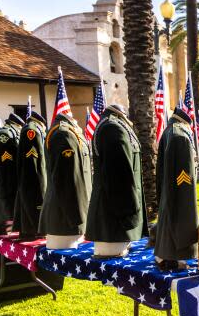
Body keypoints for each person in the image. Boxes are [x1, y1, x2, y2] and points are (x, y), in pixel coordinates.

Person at [86, 104, 148, 257]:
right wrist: (130, 212)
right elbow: (120, 177)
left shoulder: (112, 125)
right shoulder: (113, 128)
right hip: (114, 221)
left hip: (115, 218)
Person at [154, 107, 199, 268]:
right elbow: (183, 174)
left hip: (169, 185)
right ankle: (174, 256)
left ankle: (163, 255)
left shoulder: (170, 130)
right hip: (180, 186)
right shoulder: (180, 135)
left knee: (168, 214)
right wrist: (186, 195)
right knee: (178, 215)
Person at [39, 112, 91, 249]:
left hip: (72, 216)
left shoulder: (70, 131)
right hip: (65, 218)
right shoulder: (63, 134)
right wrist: (77, 218)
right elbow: (67, 181)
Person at [13, 111, 48, 240]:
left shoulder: (32, 129)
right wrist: (42, 183)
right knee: (33, 208)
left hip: (29, 179)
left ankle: (29, 232)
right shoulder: (32, 131)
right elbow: (33, 160)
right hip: (32, 179)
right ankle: (31, 232)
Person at [0, 113, 24, 234]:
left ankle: (7, 226)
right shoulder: (4, 134)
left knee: (9, 202)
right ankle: (2, 228)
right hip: (4, 175)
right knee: (4, 200)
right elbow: (4, 159)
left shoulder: (13, 132)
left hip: (10, 175)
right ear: (16, 124)